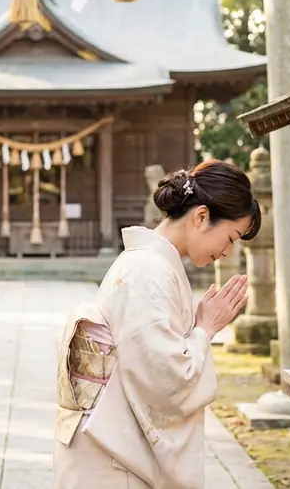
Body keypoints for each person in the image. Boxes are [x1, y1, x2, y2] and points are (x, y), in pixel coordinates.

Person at [53, 159, 260, 489]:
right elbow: (166, 382)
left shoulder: (149, 266)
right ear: (201, 216)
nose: (227, 251)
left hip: (110, 442)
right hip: (112, 456)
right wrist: (205, 329)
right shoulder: (148, 272)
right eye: (231, 237)